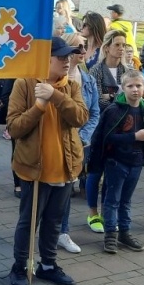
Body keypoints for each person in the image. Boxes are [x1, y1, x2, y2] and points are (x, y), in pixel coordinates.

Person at [6, 37, 88, 285]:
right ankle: (20, 266)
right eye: (61, 57)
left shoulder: (71, 86)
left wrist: (55, 96)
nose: (67, 61)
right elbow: (14, 127)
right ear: (45, 59)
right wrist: (39, 106)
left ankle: (49, 265)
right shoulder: (24, 84)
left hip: (65, 167)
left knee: (54, 221)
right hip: (34, 169)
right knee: (28, 222)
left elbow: (80, 118)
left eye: (68, 56)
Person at [87, 69, 144, 254]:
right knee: (112, 200)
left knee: (126, 200)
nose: (135, 90)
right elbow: (107, 137)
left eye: (138, 85)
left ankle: (125, 232)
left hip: (136, 162)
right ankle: (110, 235)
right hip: (116, 162)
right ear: (122, 88)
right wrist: (133, 136)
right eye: (130, 86)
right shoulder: (114, 110)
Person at [57, 31, 100, 254]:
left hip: (78, 145)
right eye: (77, 48)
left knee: (67, 188)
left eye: (85, 47)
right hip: (56, 142)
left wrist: (83, 137)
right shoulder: (55, 79)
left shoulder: (88, 80)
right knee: (49, 190)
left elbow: (94, 113)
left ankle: (63, 232)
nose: (83, 51)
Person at [85, 30, 127, 233]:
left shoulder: (126, 70)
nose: (121, 49)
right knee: (95, 171)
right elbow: (96, 101)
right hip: (99, 129)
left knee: (113, 173)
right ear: (107, 47)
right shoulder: (96, 71)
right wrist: (114, 98)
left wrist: (110, 97)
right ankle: (93, 213)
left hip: (120, 129)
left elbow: (130, 98)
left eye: (124, 45)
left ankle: (107, 212)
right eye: (117, 44)